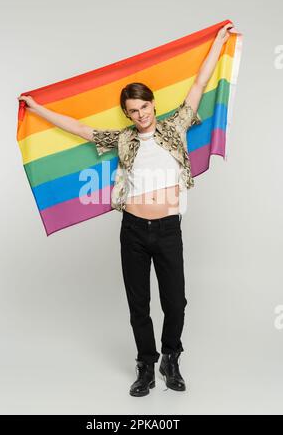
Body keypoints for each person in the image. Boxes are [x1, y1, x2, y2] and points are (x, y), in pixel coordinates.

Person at [18, 22, 234, 397]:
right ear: (127, 113)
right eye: (133, 110)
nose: (140, 114)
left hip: (167, 229)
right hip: (133, 230)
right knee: (139, 304)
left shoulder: (175, 126)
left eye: (144, 106)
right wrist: (38, 109)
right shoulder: (122, 140)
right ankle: (146, 365)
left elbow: (198, 86)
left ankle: (171, 357)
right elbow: (81, 129)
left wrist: (217, 42)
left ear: (153, 104)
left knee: (175, 301)